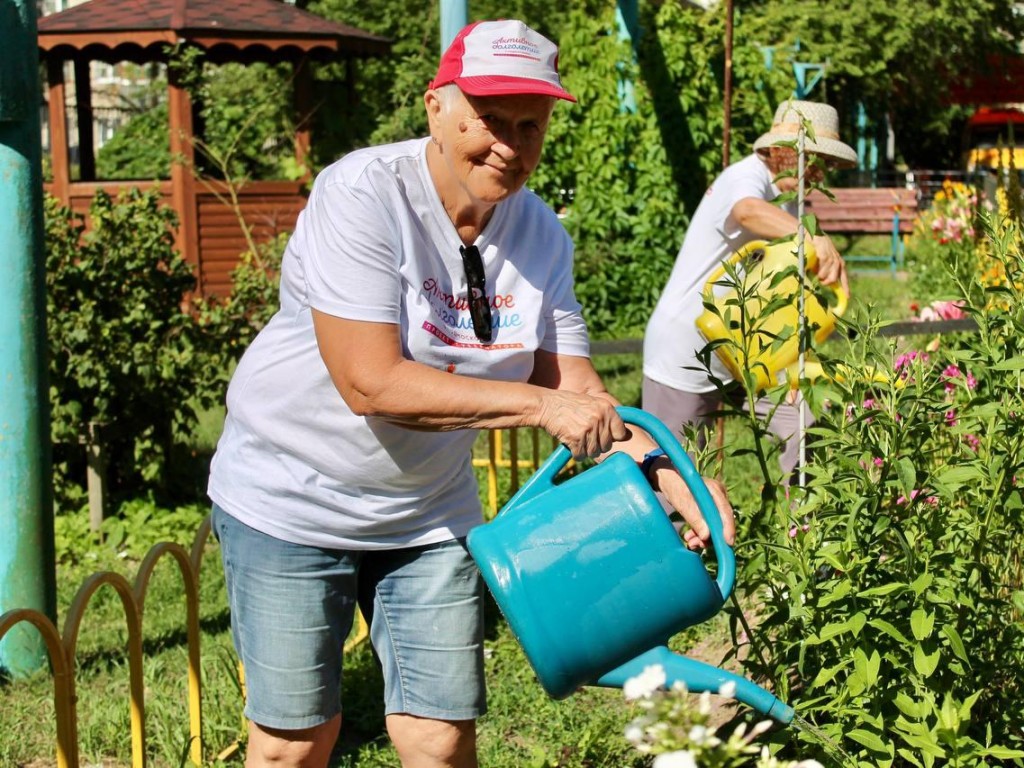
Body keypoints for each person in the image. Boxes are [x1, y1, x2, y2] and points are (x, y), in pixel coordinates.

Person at [207, 19, 735, 768]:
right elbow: (370, 381)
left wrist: (671, 477)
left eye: (530, 125)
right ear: (436, 108)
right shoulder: (362, 195)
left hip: (428, 513)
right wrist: (539, 408)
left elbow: (576, 389)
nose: (509, 145)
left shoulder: (542, 236)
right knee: (294, 744)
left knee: (441, 738)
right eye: (490, 121)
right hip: (293, 496)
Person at [642, 99, 857, 479]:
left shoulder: (790, 204)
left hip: (750, 350)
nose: (821, 171)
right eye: (813, 157)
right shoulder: (745, 177)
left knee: (809, 432)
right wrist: (813, 237)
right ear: (776, 150)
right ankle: (678, 539)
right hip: (687, 353)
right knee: (675, 481)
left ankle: (803, 532)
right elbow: (746, 211)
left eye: (827, 163)